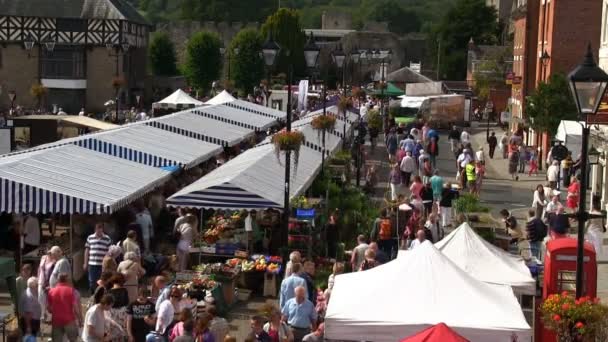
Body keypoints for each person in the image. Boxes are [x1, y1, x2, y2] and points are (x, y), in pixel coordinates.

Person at [47, 273, 81, 342]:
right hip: (69, 320)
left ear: (58, 280)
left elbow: (49, 308)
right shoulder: (71, 291)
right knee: (73, 339)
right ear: (66, 280)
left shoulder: (51, 291)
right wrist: (80, 318)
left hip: (56, 320)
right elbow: (75, 307)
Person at [84, 223, 112, 294]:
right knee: (92, 281)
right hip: (92, 264)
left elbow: (110, 252)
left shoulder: (107, 238)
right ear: (95, 229)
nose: (99, 232)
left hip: (102, 264)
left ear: (102, 230)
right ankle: (92, 295)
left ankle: (101, 295)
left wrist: (108, 263)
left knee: (102, 281)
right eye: (97, 230)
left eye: (100, 230)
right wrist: (85, 263)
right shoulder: (90, 237)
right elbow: (87, 251)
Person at [107, 273, 130, 341]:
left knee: (113, 331)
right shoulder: (124, 290)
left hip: (112, 313)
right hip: (122, 313)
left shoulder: (109, 292)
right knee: (121, 331)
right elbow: (127, 302)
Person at [37, 247, 56, 321]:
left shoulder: (55, 261)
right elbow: (39, 268)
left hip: (50, 282)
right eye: (48, 252)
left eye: (50, 252)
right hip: (41, 281)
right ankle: (42, 314)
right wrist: (38, 278)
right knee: (40, 298)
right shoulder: (43, 258)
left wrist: (50, 285)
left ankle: (50, 316)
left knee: (49, 300)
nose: (49, 253)